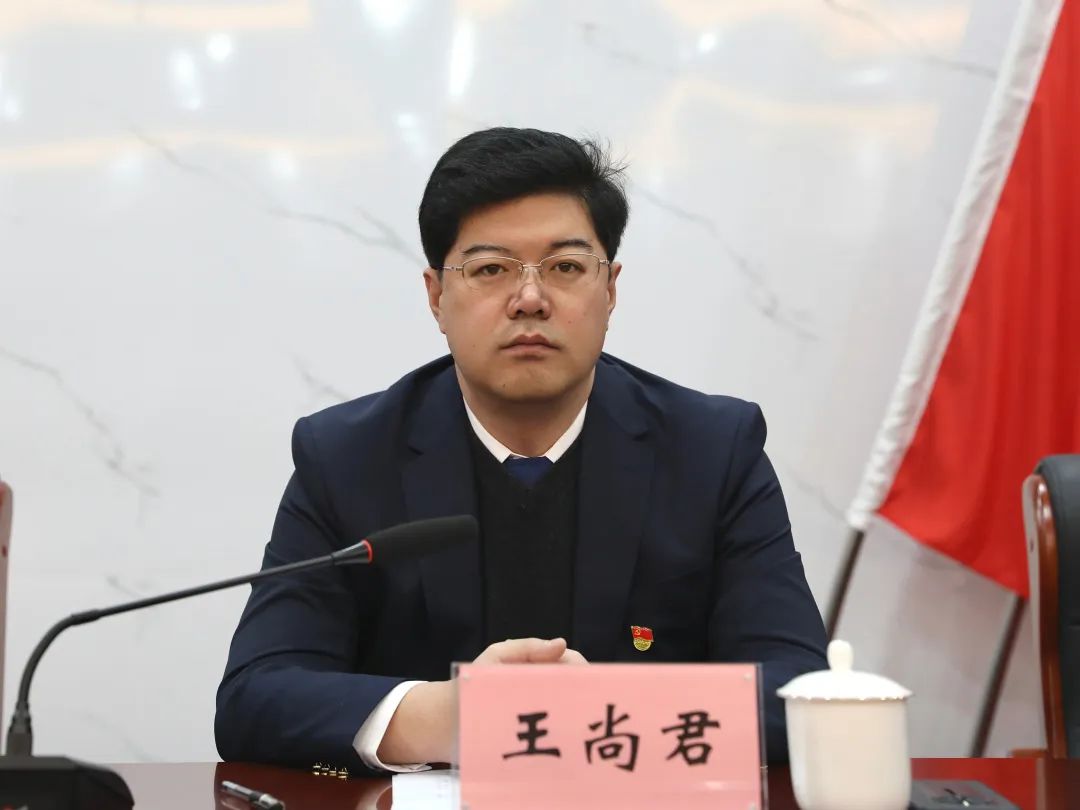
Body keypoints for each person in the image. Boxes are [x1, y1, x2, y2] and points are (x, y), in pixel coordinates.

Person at [215, 127, 827, 774]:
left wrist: (599, 715)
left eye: (565, 268)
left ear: (610, 290)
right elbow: (256, 697)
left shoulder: (712, 450)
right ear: (436, 297)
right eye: (490, 270)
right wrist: (447, 717)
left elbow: (801, 694)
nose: (530, 299)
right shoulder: (347, 456)